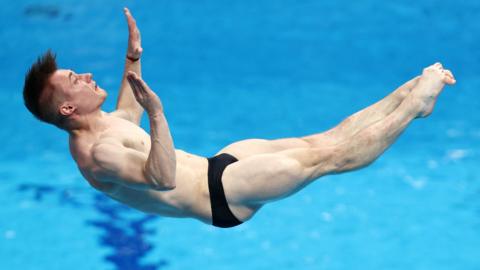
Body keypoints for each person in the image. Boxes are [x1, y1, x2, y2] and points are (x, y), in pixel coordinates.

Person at [23, 8, 456, 228]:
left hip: (219, 165)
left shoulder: (103, 126)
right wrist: (158, 114)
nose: (85, 75)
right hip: (223, 198)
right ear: (66, 108)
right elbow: (163, 177)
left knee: (325, 139)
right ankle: (415, 107)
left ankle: (409, 90)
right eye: (74, 79)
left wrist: (132, 55)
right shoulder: (96, 156)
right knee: (333, 158)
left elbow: (129, 109)